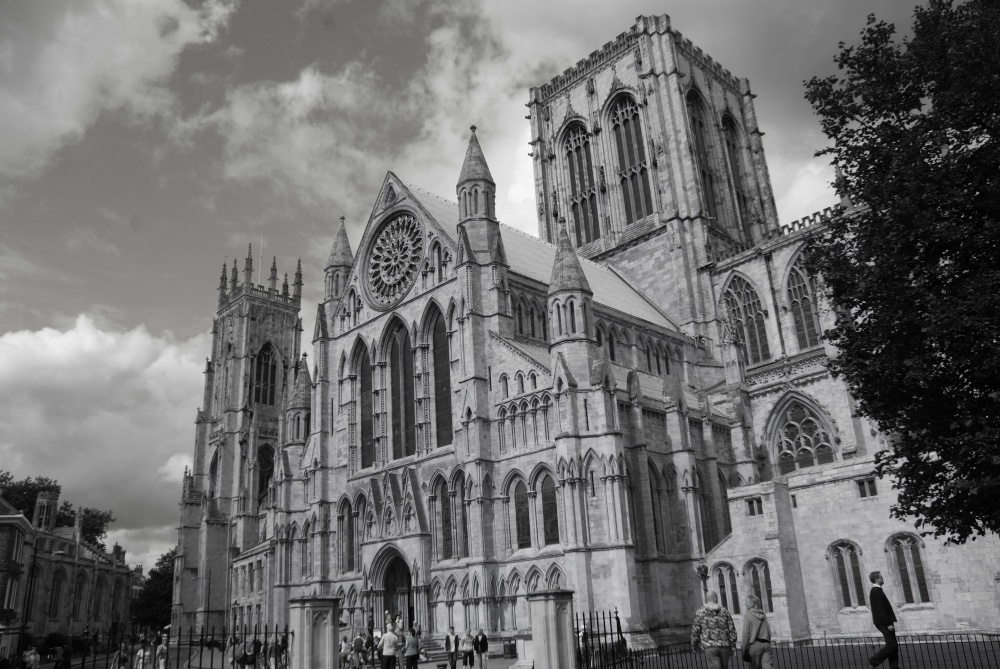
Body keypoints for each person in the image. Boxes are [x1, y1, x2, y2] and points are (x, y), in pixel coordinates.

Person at [690, 591, 737, 669]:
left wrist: (694, 644)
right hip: (724, 645)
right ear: (715, 598)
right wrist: (733, 645)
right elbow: (731, 629)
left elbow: (695, 630)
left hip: (710, 645)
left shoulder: (700, 612)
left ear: (706, 599)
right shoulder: (724, 611)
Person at [868, 571, 899, 668]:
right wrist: (888, 624)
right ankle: (873, 661)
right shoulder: (875, 591)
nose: (883, 578)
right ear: (877, 579)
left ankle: (894, 667)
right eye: (881, 577)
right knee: (892, 645)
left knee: (893, 645)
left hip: (885, 622)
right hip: (883, 622)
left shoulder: (878, 590)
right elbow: (880, 609)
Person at [741, 595, 773, 669]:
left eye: (746, 602)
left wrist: (744, 649)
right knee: (768, 666)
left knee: (756, 667)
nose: (745, 604)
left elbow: (746, 634)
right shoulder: (763, 614)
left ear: (751, 604)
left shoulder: (748, 615)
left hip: (755, 645)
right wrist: (768, 642)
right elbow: (768, 630)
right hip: (766, 643)